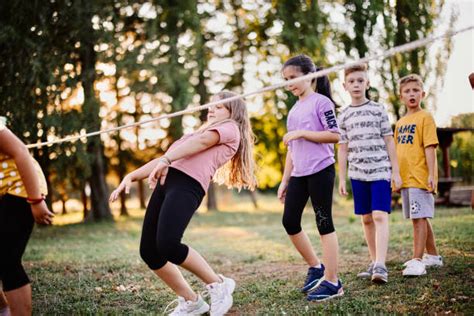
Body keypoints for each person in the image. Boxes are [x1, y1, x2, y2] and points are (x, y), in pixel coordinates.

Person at [109, 91, 257, 315]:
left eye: (219, 106)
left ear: (232, 112)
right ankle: (192, 302)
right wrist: (131, 176)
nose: (212, 108)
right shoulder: (194, 134)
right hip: (165, 185)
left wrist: (168, 159)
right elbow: (163, 160)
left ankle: (218, 284)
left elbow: (202, 142)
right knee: (150, 251)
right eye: (211, 105)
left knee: (169, 244)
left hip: (187, 185)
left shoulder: (230, 128)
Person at [277, 54, 343, 302]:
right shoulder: (293, 110)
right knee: (290, 221)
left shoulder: (322, 103)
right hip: (299, 175)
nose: (289, 83)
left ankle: (333, 281)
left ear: (310, 75)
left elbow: (335, 136)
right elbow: (292, 151)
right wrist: (285, 180)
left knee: (324, 222)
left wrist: (302, 133)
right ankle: (316, 267)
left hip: (321, 170)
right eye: (286, 79)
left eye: (293, 78)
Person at [337, 63, 402, 284]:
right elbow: (343, 148)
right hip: (357, 173)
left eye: (360, 80)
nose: (356, 84)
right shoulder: (343, 114)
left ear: (367, 83)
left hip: (380, 170)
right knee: (366, 219)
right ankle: (374, 262)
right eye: (352, 81)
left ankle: (382, 266)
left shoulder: (378, 109)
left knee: (379, 215)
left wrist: (396, 171)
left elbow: (389, 141)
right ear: (344, 86)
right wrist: (342, 177)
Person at [0, 117, 54, 316]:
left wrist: (36, 201)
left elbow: (20, 151)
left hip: (21, 186)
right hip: (2, 189)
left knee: (7, 259)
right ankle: (4, 309)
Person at [394, 74, 443, 276]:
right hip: (406, 178)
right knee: (419, 216)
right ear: (401, 97)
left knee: (418, 219)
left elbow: (430, 148)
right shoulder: (400, 122)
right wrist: (395, 175)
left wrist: (431, 174)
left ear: (422, 94)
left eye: (415, 90)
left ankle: (417, 260)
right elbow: (396, 151)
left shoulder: (425, 117)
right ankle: (432, 256)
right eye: (407, 91)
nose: (412, 94)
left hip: (420, 177)